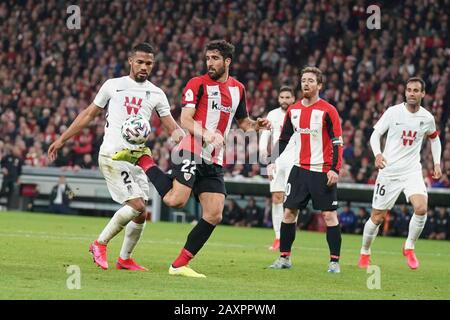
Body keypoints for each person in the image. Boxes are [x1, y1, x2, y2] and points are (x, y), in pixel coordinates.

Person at [113, 39, 271, 277]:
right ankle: (144, 159)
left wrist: (257, 125)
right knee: (175, 200)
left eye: (215, 58)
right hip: (192, 149)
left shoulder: (238, 89)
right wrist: (206, 133)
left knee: (214, 214)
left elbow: (244, 123)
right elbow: (186, 119)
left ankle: (179, 265)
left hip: (213, 159)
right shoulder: (196, 84)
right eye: (208, 58)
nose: (210, 62)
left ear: (227, 61)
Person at [48, 43, 182, 271]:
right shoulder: (113, 86)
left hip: (138, 158)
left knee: (141, 214)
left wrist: (183, 137)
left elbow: (171, 125)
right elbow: (89, 114)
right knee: (136, 205)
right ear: (130, 61)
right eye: (139, 62)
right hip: (113, 155)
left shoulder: (157, 93)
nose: (144, 67)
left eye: (148, 63)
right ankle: (99, 243)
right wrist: (62, 139)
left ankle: (125, 259)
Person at [358, 77, 442, 270]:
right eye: (409, 90)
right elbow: (375, 134)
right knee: (377, 217)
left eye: (416, 90)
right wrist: (378, 154)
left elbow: (434, 139)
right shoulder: (393, 112)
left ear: (422, 94)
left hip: (412, 171)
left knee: (421, 208)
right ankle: (365, 252)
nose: (411, 93)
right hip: (389, 172)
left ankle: (409, 247)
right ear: (405, 92)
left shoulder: (427, 118)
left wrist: (437, 163)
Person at [267, 66, 344, 273]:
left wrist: (335, 169)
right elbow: (283, 139)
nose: (306, 84)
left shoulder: (328, 110)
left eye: (311, 80)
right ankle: (284, 258)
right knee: (289, 213)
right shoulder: (293, 110)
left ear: (319, 85)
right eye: (303, 80)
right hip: (299, 170)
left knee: (329, 216)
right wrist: (271, 160)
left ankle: (334, 261)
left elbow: (337, 142)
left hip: (322, 171)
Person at [259, 86, 296, 250]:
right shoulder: (273, 115)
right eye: (282, 97)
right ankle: (278, 237)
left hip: (295, 159)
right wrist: (262, 151)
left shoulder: (298, 113)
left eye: (288, 97)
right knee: (276, 198)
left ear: (293, 98)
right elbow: (266, 134)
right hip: (277, 159)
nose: (284, 100)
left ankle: (288, 237)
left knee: (292, 200)